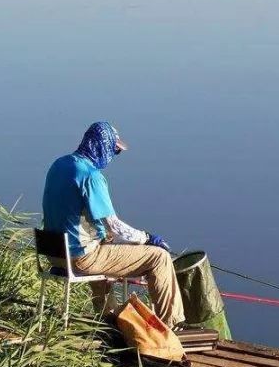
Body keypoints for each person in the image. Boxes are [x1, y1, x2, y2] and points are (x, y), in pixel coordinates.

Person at [41, 121, 185, 328]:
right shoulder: (91, 176)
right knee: (159, 258)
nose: (113, 156)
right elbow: (114, 226)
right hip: (80, 259)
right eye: (114, 151)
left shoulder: (60, 164)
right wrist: (147, 238)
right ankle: (171, 325)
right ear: (102, 147)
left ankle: (108, 318)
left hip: (54, 254)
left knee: (105, 243)